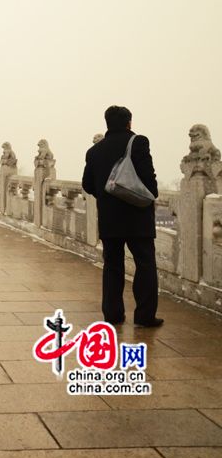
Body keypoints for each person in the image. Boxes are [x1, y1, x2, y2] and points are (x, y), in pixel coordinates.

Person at [81, 106, 162, 328]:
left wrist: (109, 197)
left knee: (112, 266)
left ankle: (113, 314)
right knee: (144, 264)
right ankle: (145, 316)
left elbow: (88, 185)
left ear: (107, 123)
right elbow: (149, 182)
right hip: (138, 216)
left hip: (109, 219)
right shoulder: (138, 142)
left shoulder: (94, 151)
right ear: (129, 123)